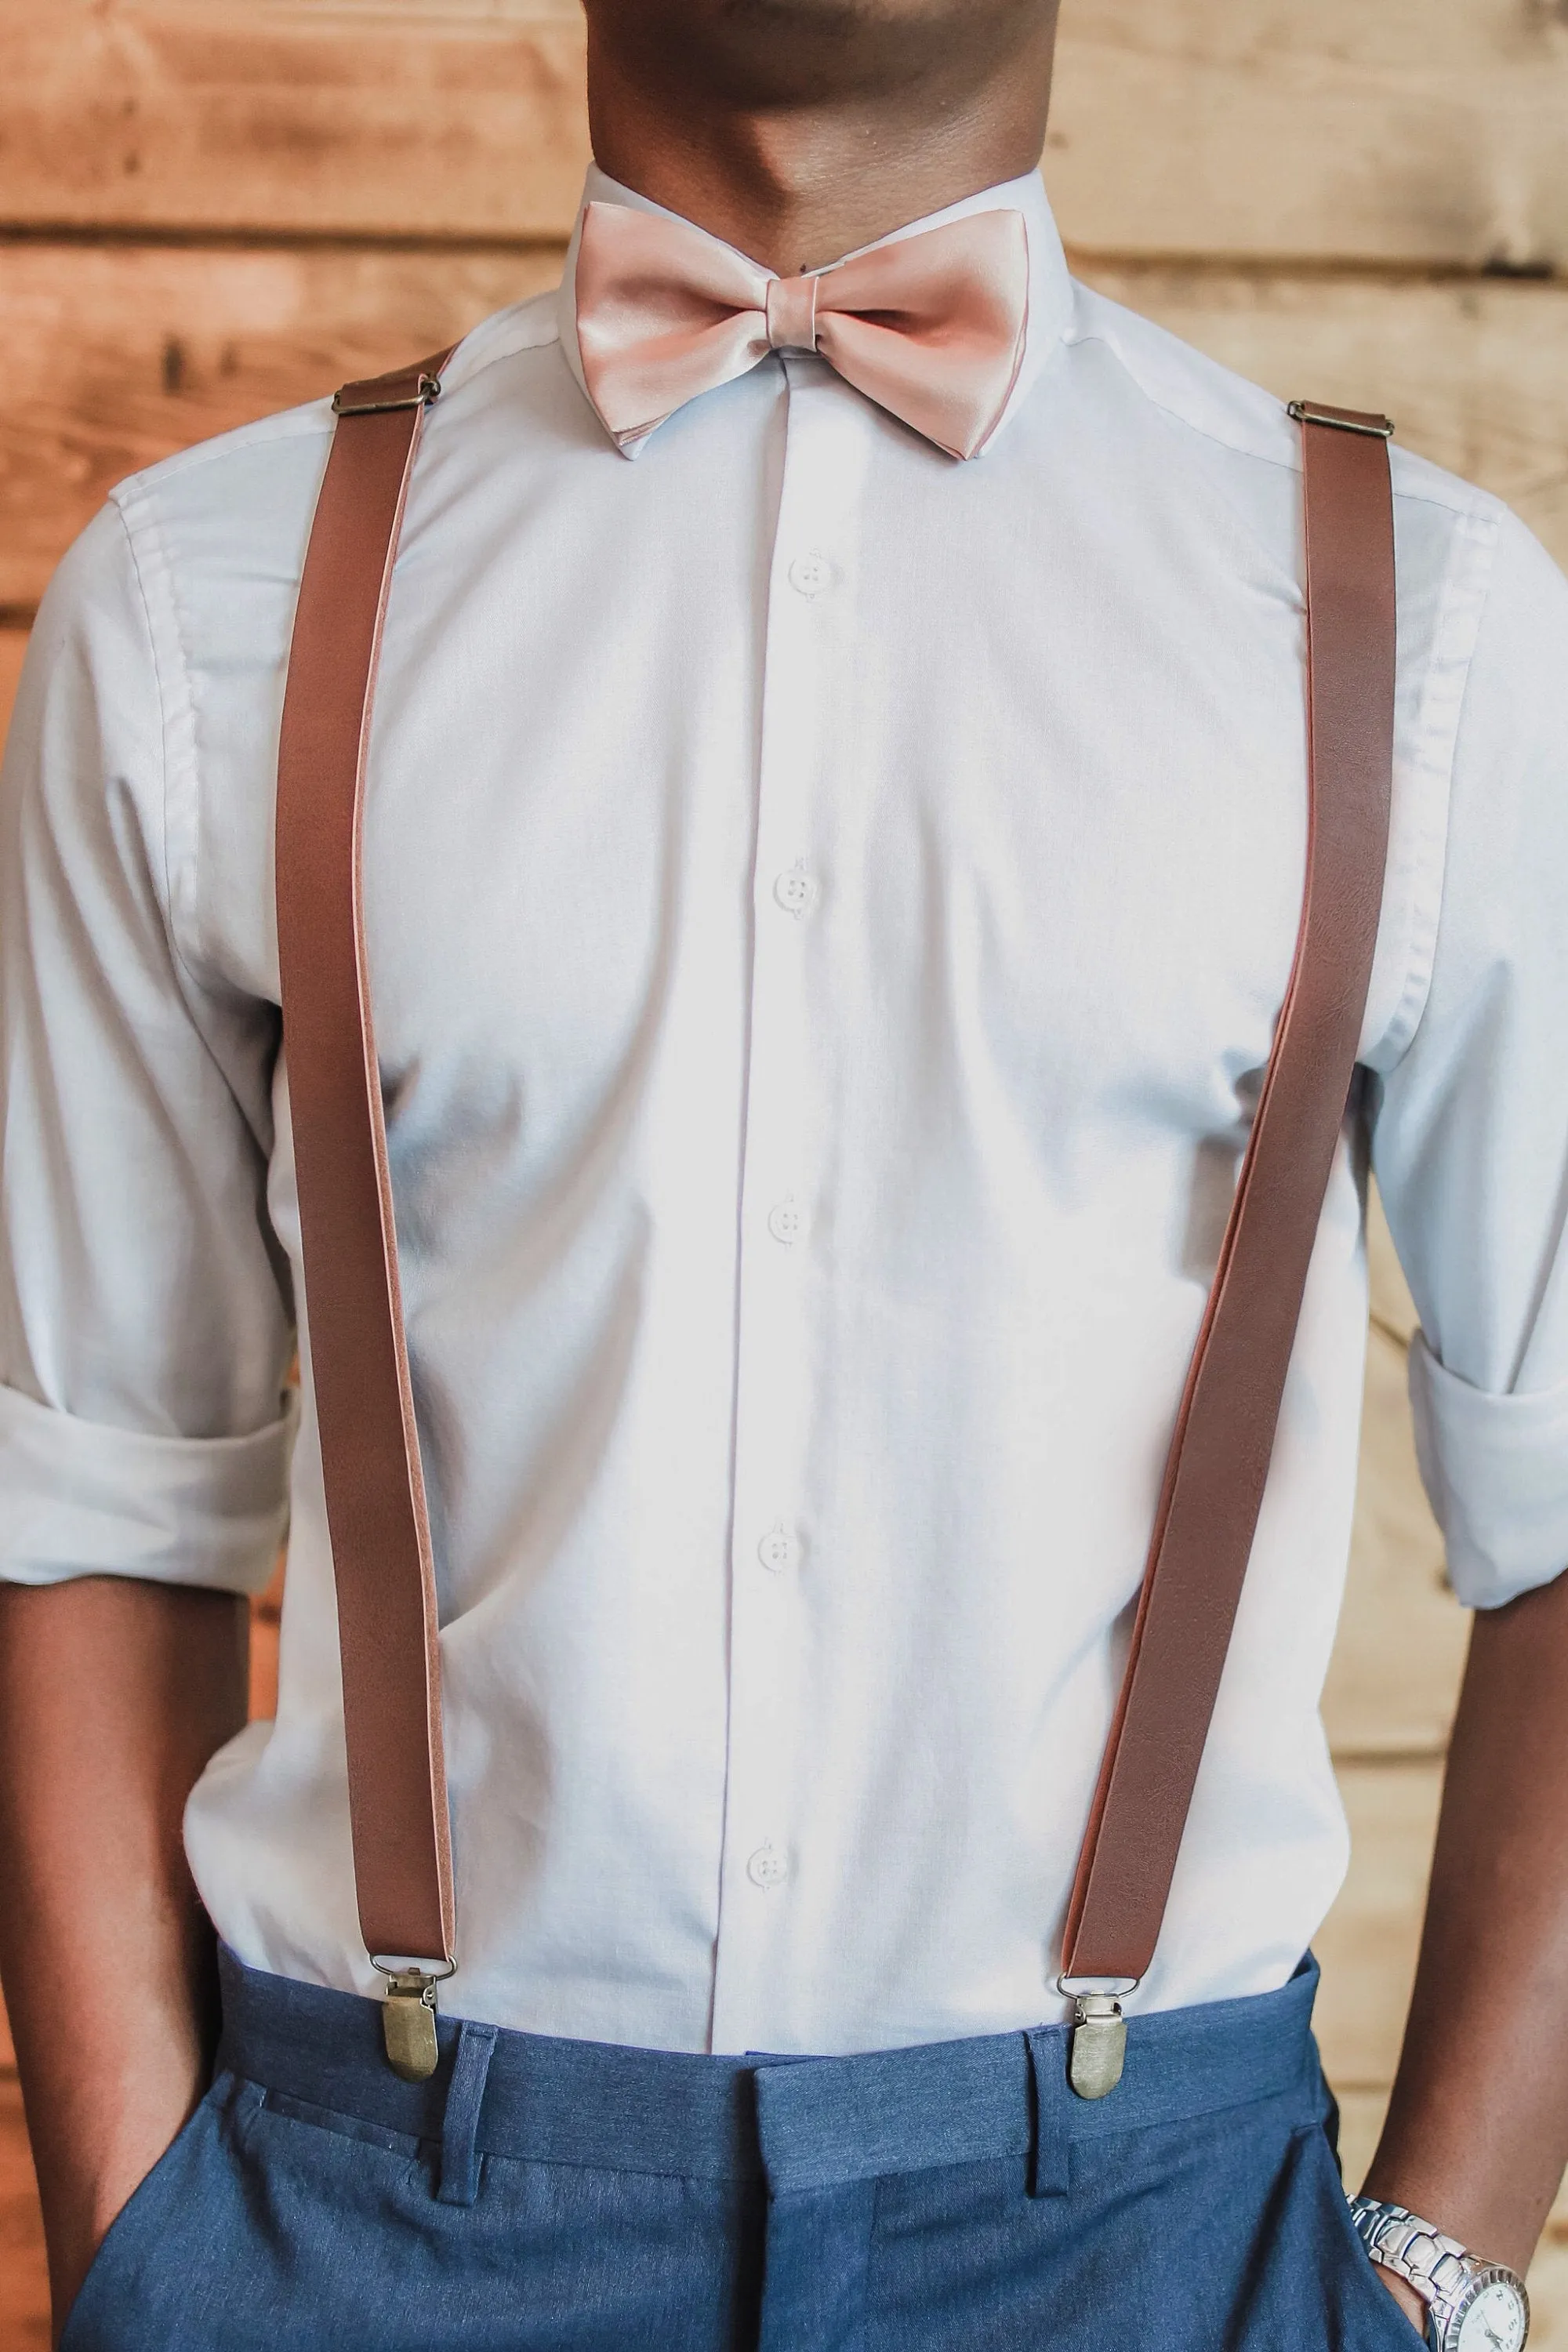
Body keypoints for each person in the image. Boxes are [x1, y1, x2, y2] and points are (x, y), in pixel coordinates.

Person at [2, 1, 1566, 2344]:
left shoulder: (1424, 629)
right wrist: (149, 2240)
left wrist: (1432, 2277)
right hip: (364, 2234)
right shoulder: (194, 612)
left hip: (1146, 2240)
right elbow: (92, 1494)